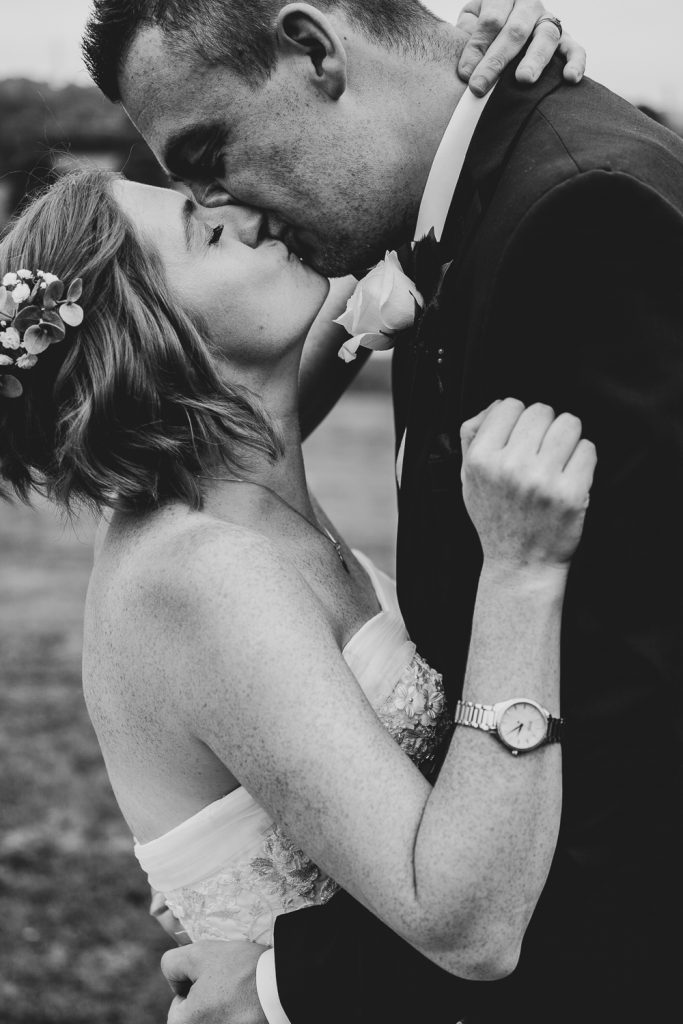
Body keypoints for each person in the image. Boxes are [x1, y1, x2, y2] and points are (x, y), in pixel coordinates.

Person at [78, 1, 683, 1022]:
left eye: (207, 156)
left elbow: (636, 754)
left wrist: (283, 985)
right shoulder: (197, 554)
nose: (227, 210)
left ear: (314, 49)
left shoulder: (574, 217)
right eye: (190, 205)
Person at [1, 168, 594, 1009]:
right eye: (204, 229)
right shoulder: (201, 572)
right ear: (157, 338)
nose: (242, 211)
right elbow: (469, 927)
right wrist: (521, 573)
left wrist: (498, 63)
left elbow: (372, 185)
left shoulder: (241, 476)